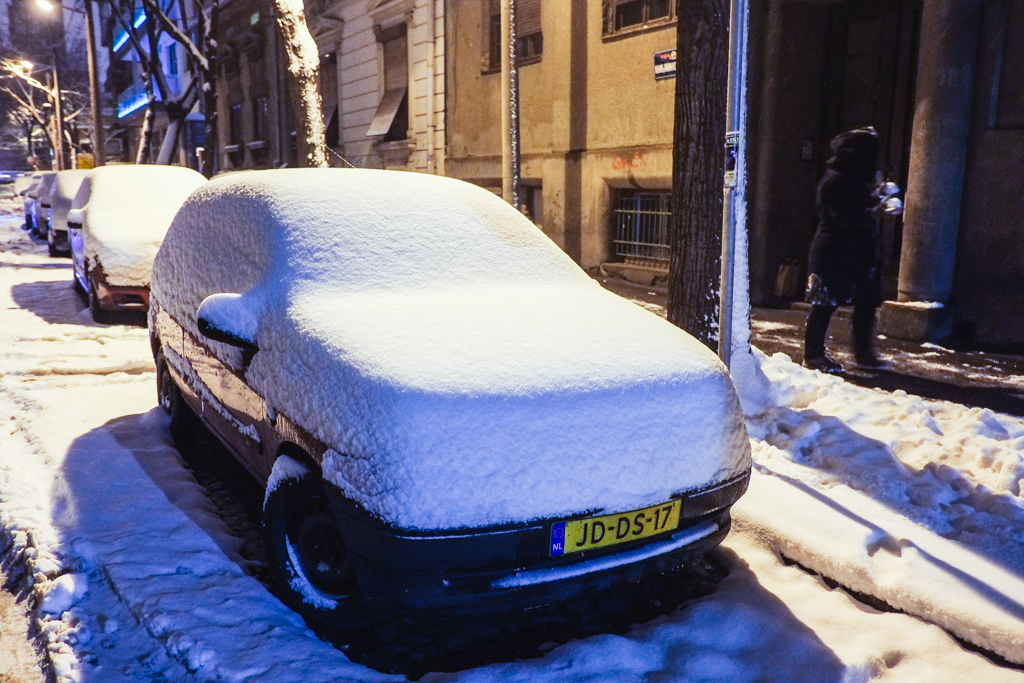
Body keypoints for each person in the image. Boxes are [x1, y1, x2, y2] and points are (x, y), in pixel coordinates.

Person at [803, 127, 900, 374]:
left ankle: (864, 355)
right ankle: (813, 356)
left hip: (857, 252)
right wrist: (872, 211)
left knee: (866, 301)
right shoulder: (835, 180)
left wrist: (877, 197)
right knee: (824, 304)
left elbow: (857, 205)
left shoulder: (854, 178)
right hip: (833, 251)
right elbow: (840, 217)